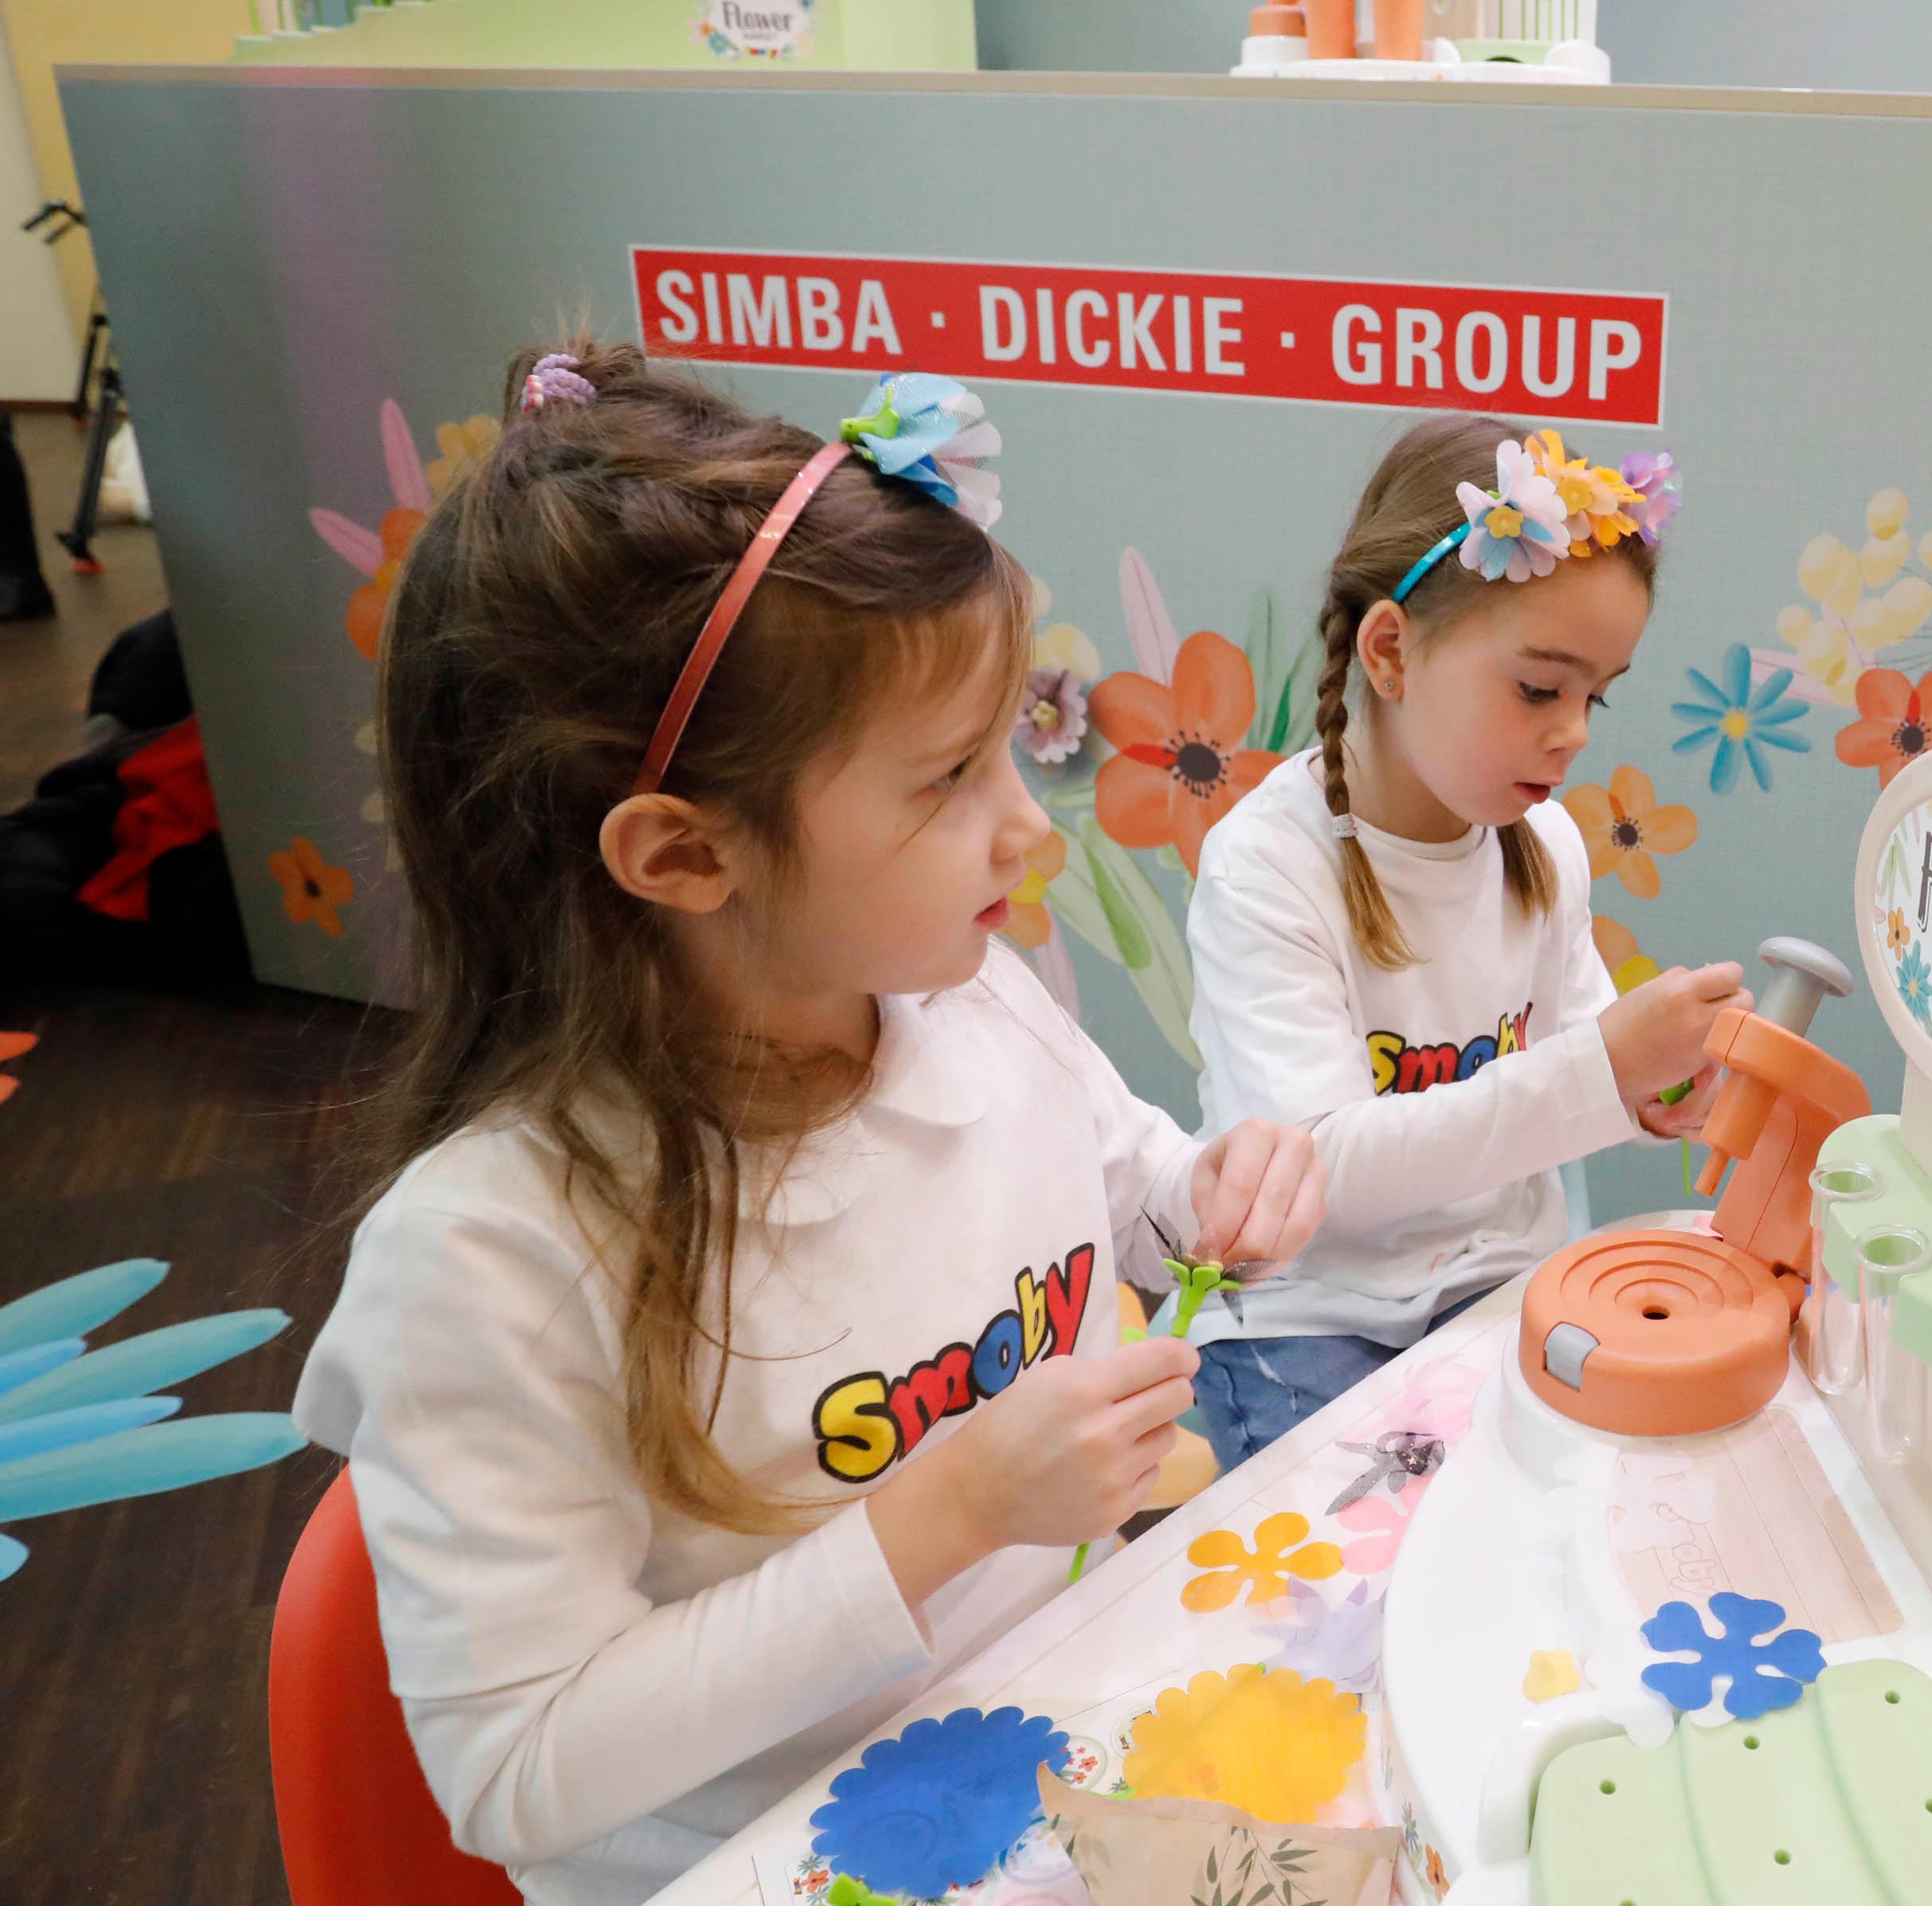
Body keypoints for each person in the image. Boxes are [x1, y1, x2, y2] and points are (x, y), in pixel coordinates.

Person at [293, 342, 1326, 1906]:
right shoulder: (494, 1258)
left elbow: (1121, 1172)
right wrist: (948, 1510)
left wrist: (1208, 1189)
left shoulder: (957, 992)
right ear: (682, 855)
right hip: (776, 1853)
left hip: (1054, 1726)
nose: (1030, 822)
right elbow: (515, 1767)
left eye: (1010, 747)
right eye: (947, 777)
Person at [1180, 416, 1746, 1469]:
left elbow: (1569, 1084)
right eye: (1539, 687)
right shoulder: (1265, 864)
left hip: (1492, 1286)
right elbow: (1320, 1174)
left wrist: (1655, 1094)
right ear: (1390, 652)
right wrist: (1601, 1070)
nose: (1574, 729)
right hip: (1309, 1319)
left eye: (1594, 695)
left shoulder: (1544, 845)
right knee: (1356, 1593)